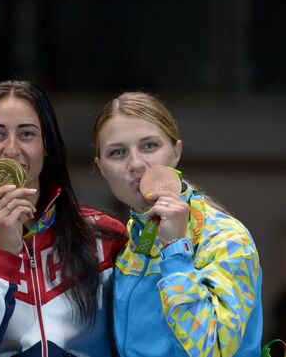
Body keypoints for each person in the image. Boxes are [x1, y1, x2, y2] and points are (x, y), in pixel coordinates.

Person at [0, 80, 127, 356]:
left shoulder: (104, 237)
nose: (11, 148)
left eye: (27, 134)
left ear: (46, 146)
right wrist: (6, 255)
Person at [92, 91, 263, 357]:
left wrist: (175, 250)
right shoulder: (130, 244)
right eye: (117, 152)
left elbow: (214, 348)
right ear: (100, 167)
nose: (136, 164)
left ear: (176, 152)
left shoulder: (226, 238)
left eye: (149, 146)